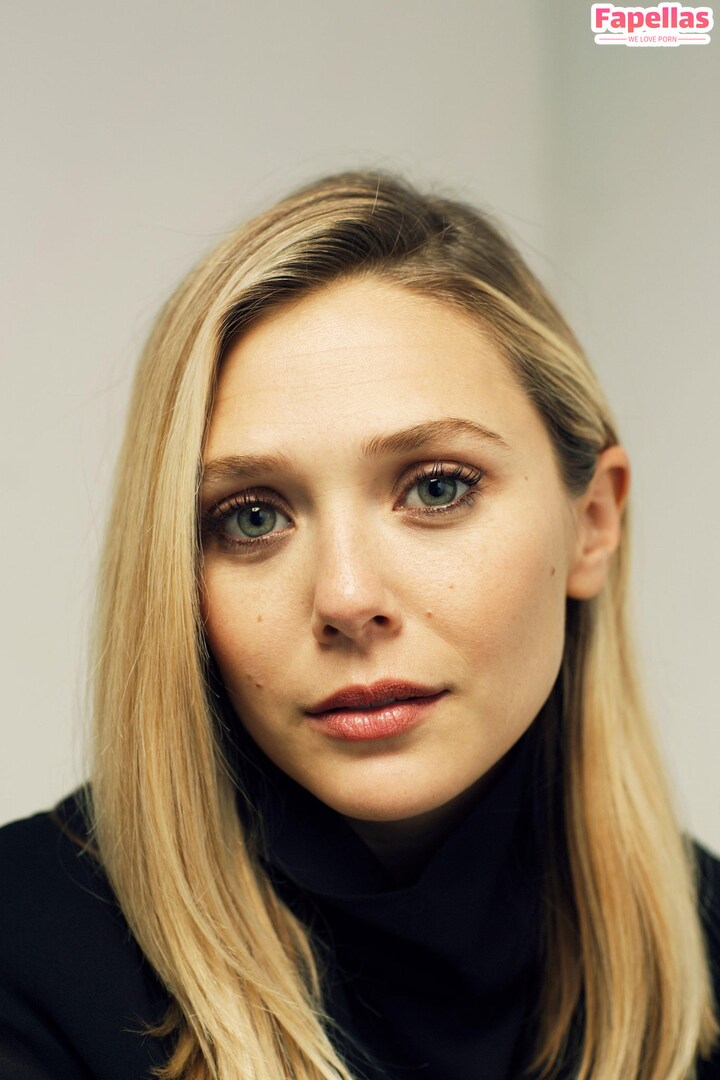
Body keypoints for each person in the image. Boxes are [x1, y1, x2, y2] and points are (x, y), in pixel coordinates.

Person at [0, 171, 718, 1080]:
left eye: (437, 487)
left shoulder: (709, 946)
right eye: (252, 516)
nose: (344, 597)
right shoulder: (22, 958)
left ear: (593, 522)